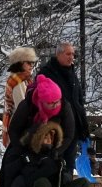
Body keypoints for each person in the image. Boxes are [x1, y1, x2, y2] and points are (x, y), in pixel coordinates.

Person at [0, 74, 84, 187]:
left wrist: (57, 151)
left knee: (60, 174)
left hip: (55, 143)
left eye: (57, 101)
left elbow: (69, 134)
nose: (55, 105)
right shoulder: (27, 105)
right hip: (27, 142)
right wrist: (24, 151)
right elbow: (14, 130)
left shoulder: (64, 106)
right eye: (51, 103)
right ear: (42, 101)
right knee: (17, 171)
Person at [37, 42, 89, 177]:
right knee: (53, 164)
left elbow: (78, 102)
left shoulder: (72, 74)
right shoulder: (47, 73)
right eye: (68, 54)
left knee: (69, 166)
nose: (71, 57)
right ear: (58, 54)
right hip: (55, 129)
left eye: (73, 54)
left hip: (73, 128)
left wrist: (83, 126)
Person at [3, 46, 37, 147]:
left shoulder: (24, 79)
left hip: (18, 124)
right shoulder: (18, 81)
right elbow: (22, 107)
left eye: (32, 63)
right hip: (20, 126)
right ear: (20, 63)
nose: (31, 65)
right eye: (28, 62)